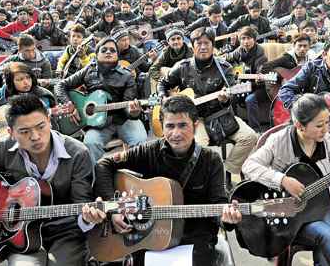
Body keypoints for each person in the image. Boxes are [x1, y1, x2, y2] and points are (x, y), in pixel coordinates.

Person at [0, 93, 104, 266]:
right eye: (24, 131)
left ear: (49, 120)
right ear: (11, 132)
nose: (35, 136)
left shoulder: (78, 153)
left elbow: (82, 204)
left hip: (66, 233)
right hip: (19, 239)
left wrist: (88, 218)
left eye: (41, 126)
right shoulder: (3, 148)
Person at [95, 95, 242, 266]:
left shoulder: (211, 160)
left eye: (182, 125)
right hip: (150, 236)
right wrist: (114, 208)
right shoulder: (148, 151)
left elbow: (219, 205)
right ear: (162, 128)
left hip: (195, 240)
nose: (176, 133)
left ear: (195, 126)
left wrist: (227, 219)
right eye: (170, 126)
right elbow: (103, 164)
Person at [242, 93, 330, 266]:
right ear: (299, 125)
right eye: (319, 125)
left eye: (327, 122)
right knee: (328, 236)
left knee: (327, 244)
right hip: (287, 212)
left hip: (319, 205)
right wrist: (282, 180)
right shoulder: (278, 141)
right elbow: (249, 166)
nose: (326, 129)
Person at [158, 27, 258, 177]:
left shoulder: (225, 68)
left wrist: (226, 99)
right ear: (192, 46)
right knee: (197, 148)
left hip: (220, 115)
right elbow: (163, 83)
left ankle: (226, 172)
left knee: (250, 137)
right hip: (193, 119)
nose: (203, 47)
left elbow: (233, 95)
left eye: (207, 43)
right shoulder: (182, 67)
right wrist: (163, 98)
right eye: (199, 43)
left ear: (213, 45)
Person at [55, 37, 148, 163]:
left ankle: (135, 175)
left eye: (112, 50)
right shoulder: (89, 70)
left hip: (123, 120)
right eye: (104, 50)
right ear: (97, 54)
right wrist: (69, 104)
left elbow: (129, 107)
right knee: (90, 143)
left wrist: (133, 112)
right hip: (97, 123)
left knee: (140, 141)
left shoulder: (127, 75)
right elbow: (60, 85)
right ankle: (96, 178)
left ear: (117, 55)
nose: (108, 52)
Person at [0, 62, 56, 137]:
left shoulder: (42, 96)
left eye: (28, 77)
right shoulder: (4, 91)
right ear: (11, 82)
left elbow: (41, 116)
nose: (26, 82)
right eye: (20, 79)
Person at [224, 26, 268, 132]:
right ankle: (235, 127)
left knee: (250, 100)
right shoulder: (240, 50)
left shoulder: (261, 55)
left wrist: (258, 79)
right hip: (244, 85)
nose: (246, 41)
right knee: (230, 94)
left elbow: (259, 76)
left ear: (254, 39)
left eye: (249, 38)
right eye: (243, 38)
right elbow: (229, 57)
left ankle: (256, 130)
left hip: (259, 87)